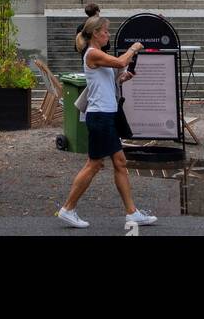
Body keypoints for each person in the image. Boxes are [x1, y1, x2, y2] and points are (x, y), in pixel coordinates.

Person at [56, 17, 156, 230]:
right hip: (100, 116)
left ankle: (132, 213)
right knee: (94, 164)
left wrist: (122, 79)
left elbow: (108, 79)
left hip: (106, 115)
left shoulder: (98, 55)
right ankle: (68, 208)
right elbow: (121, 62)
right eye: (105, 32)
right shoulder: (92, 53)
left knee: (119, 162)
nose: (108, 35)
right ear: (95, 34)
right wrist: (134, 48)